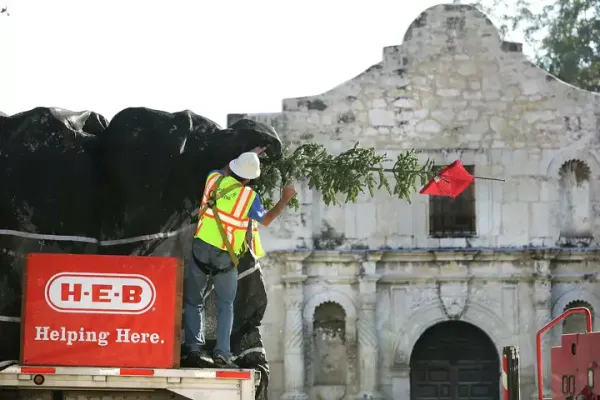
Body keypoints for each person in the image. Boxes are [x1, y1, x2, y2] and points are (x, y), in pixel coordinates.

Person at [183, 146, 296, 368]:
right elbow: (266, 220)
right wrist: (285, 199)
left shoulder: (213, 179)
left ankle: (194, 349)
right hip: (226, 257)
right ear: (250, 179)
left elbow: (224, 169)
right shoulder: (249, 197)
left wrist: (247, 153)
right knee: (226, 304)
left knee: (194, 301)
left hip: (201, 249)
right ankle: (222, 353)